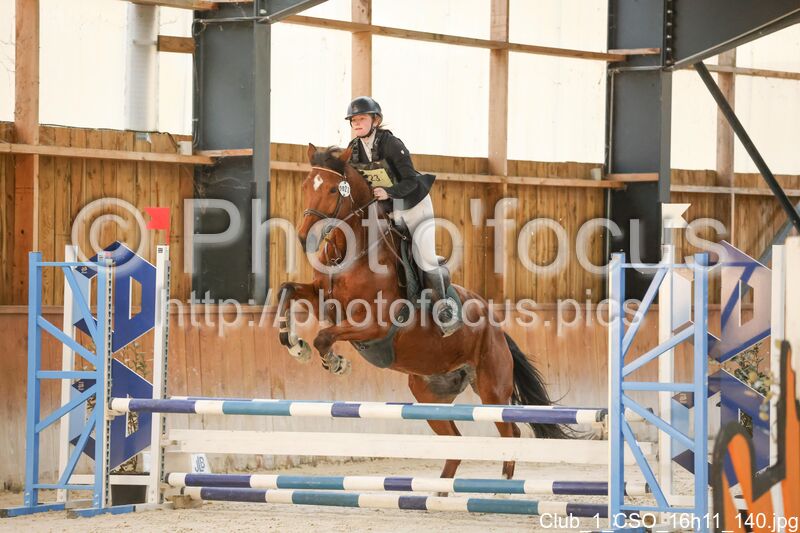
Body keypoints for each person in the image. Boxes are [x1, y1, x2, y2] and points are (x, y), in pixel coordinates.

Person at [345, 96, 462, 337]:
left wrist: (388, 192)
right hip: (388, 208)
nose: (357, 124)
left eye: (362, 119)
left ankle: (444, 308)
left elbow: (410, 181)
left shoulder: (391, 144)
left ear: (375, 120)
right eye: (353, 120)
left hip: (413, 203)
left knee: (424, 257)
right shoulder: (354, 149)